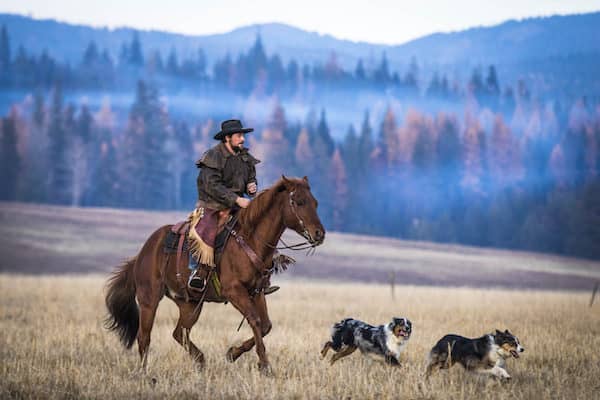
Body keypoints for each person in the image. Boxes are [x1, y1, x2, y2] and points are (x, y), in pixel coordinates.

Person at [188, 119, 280, 294]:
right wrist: (237, 200)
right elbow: (212, 186)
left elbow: (250, 178)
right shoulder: (213, 156)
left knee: (261, 227)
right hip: (212, 205)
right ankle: (197, 271)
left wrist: (251, 187)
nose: (243, 139)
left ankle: (263, 276)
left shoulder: (245, 157)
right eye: (239, 136)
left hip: (237, 206)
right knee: (203, 229)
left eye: (243, 135)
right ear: (227, 138)